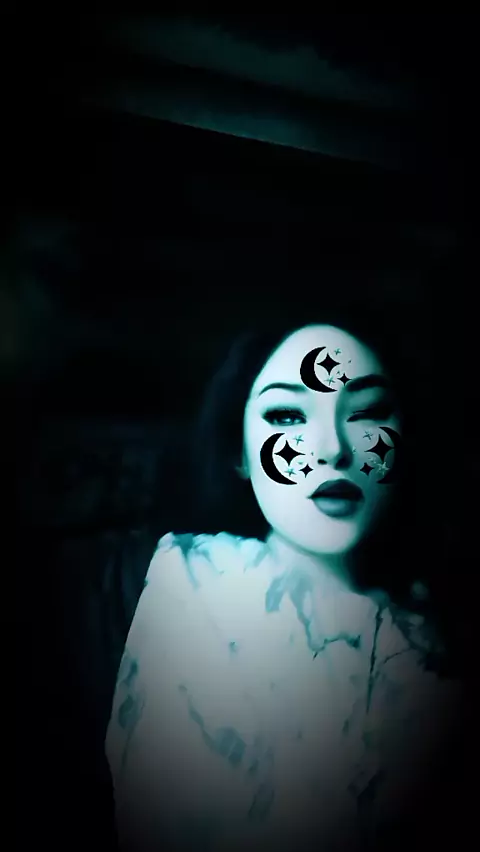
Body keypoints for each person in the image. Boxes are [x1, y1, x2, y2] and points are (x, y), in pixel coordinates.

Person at [105, 307, 463, 851]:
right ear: (239, 452)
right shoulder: (197, 583)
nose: (334, 449)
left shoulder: (431, 635)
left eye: (368, 412)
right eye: (288, 416)